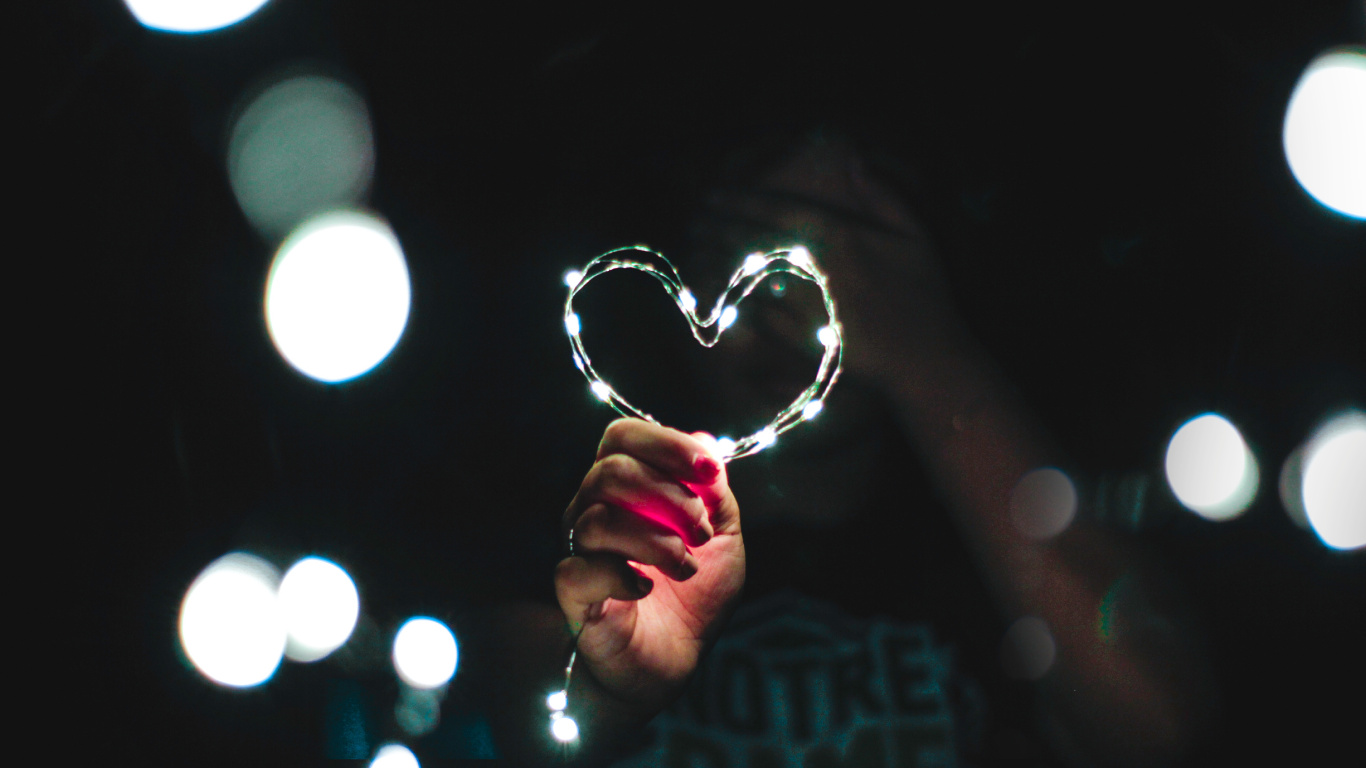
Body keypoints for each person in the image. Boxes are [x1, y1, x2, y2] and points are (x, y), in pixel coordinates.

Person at [491, 136, 1215, 766]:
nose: (781, 313)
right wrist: (608, 691)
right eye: (743, 243)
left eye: (846, 249)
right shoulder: (594, 513)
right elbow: (509, 722)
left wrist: (927, 354)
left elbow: (1157, 728)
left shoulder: (991, 555)